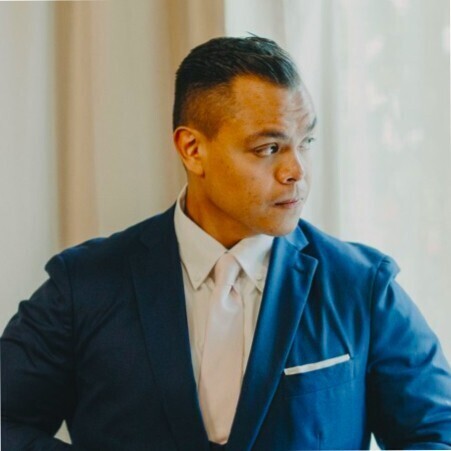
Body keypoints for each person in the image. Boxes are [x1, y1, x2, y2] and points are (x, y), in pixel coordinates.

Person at [2, 36, 451, 451]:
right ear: (192, 149)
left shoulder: (363, 286)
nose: (297, 171)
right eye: (269, 148)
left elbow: (437, 433)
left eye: (306, 141)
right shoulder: (83, 286)